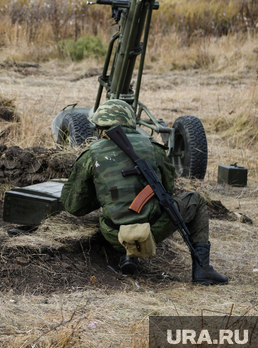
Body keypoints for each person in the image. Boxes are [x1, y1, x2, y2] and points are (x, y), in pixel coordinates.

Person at [61, 100, 228, 285]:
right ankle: (202, 269)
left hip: (113, 233)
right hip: (152, 229)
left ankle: (128, 255)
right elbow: (167, 189)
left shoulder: (90, 153)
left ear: (99, 126)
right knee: (195, 200)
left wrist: (103, 196)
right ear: (131, 121)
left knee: (120, 209)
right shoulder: (154, 148)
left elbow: (73, 206)